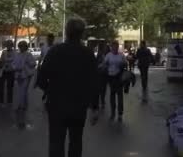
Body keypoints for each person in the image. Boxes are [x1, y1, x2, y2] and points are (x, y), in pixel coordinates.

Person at [37, 18, 99, 157]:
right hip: (78, 106)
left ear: (66, 31)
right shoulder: (88, 54)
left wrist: (50, 91)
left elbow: (40, 79)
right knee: (76, 142)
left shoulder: (54, 51)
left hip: (56, 105)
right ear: (82, 34)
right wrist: (94, 107)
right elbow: (95, 83)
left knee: (56, 142)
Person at [100, 41, 127, 121]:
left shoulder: (121, 55)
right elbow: (104, 64)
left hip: (119, 77)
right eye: (113, 46)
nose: (115, 48)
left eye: (116, 46)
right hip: (111, 77)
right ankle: (113, 112)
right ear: (111, 47)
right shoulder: (108, 55)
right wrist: (102, 66)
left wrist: (123, 64)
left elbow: (126, 63)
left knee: (120, 96)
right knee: (112, 96)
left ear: (118, 47)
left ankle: (120, 114)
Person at [13, 40, 36, 129]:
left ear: (25, 47)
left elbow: (33, 64)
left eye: (23, 46)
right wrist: (16, 68)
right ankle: (23, 104)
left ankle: (21, 105)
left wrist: (27, 64)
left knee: (23, 90)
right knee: (22, 91)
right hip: (18, 74)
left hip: (26, 75)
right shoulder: (17, 55)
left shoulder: (28, 55)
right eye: (20, 46)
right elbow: (14, 64)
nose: (21, 48)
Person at [0, 40, 15, 108]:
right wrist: (0, 63)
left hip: (11, 71)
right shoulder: (3, 52)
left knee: (10, 87)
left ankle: (9, 102)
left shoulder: (15, 53)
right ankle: (1, 101)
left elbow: (15, 61)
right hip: (3, 71)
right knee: (1, 87)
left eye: (9, 45)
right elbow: (1, 61)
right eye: (7, 45)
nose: (8, 46)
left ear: (12, 45)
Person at [95, 43, 110, 109]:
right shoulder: (99, 55)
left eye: (106, 48)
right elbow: (97, 63)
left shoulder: (107, 55)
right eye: (104, 48)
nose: (105, 49)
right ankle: (100, 101)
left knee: (103, 88)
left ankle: (102, 100)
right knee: (100, 88)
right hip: (100, 73)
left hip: (104, 74)